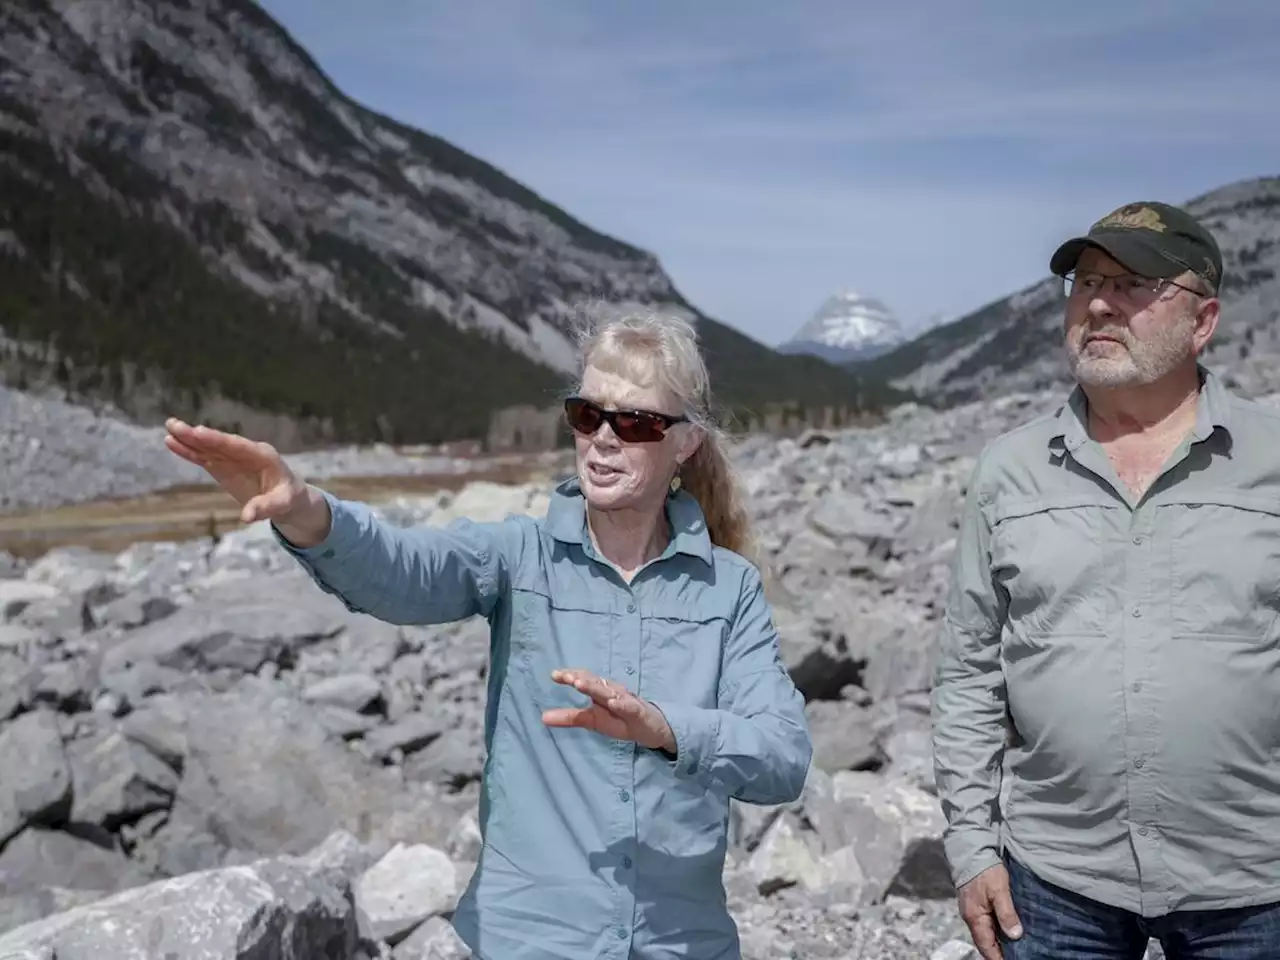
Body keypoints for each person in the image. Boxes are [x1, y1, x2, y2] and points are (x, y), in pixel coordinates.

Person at [163, 310, 813, 960]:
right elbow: (404, 571)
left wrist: (666, 730)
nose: (604, 440)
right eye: (588, 416)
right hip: (529, 943)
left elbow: (783, 757)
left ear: (686, 443)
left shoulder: (730, 589)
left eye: (636, 423)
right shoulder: (517, 557)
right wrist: (308, 512)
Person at [931, 200, 1280, 960]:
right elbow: (968, 672)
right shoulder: (1008, 471)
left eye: (1133, 284)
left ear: (1203, 320)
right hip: (1056, 881)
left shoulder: (1272, 458)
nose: (1097, 303)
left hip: (1257, 886)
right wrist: (971, 845)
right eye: (1087, 281)